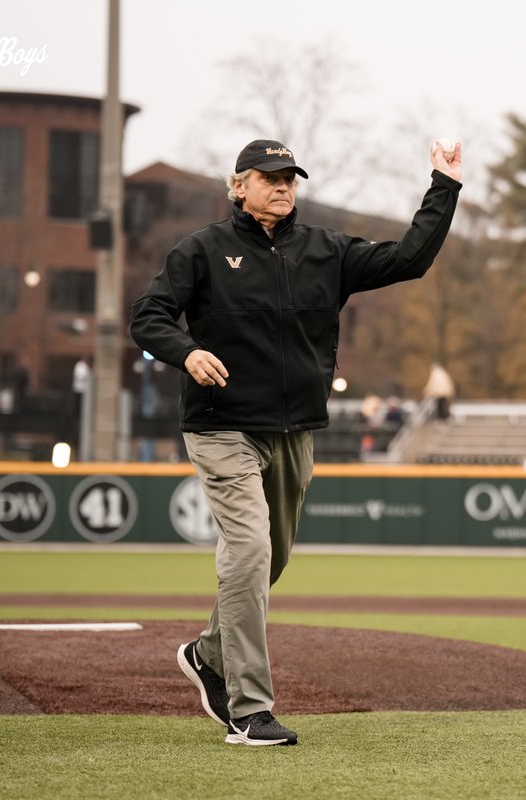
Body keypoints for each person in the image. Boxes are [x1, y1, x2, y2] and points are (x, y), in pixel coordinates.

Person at [129, 137, 462, 746]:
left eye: (290, 177)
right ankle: (250, 709)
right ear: (238, 186)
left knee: (270, 559)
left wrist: (443, 186)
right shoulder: (202, 250)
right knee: (251, 550)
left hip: (294, 430)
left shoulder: (325, 250)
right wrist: (187, 351)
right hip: (221, 425)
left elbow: (409, 259)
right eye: (268, 176)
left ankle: (208, 654)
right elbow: (148, 316)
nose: (282, 186)